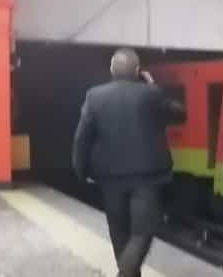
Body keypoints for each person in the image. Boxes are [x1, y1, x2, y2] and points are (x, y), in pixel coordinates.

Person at [72, 48, 184, 277]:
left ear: (112, 70)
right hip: (148, 178)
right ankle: (126, 273)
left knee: (119, 232)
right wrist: (153, 87)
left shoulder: (95, 96)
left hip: (111, 179)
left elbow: (82, 138)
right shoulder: (151, 94)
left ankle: (124, 273)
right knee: (142, 233)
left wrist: (80, 171)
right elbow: (180, 114)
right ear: (137, 70)